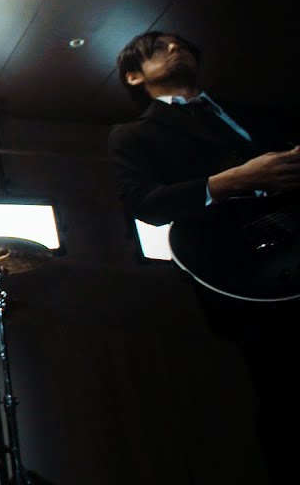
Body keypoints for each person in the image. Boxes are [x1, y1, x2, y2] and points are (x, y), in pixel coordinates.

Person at [107, 30, 300, 485]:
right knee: (284, 393)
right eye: (159, 47)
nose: (176, 48)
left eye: (181, 44)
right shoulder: (132, 135)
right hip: (244, 275)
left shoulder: (254, 112)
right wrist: (232, 180)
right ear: (134, 76)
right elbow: (145, 204)